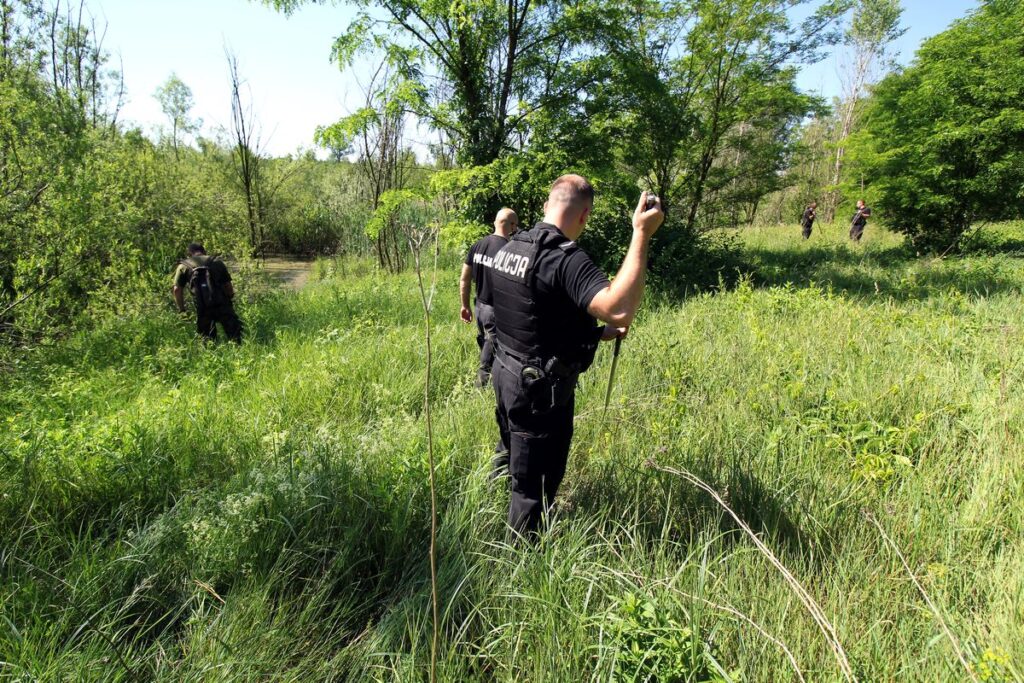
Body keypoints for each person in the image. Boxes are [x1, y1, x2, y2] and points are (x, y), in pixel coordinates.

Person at [488, 174, 663, 536]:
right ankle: (521, 562)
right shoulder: (564, 258)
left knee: (509, 456)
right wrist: (641, 234)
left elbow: (533, 316)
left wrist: (596, 334)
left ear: (547, 205)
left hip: (505, 376)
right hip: (539, 395)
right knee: (533, 488)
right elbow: (619, 308)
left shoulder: (508, 249)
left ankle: (490, 505)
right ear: (584, 216)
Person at [460, 208, 519, 387]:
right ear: (513, 226)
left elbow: (464, 279)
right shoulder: (509, 250)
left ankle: (492, 376)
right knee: (491, 345)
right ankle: (481, 385)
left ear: (495, 222)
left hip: (479, 306)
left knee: (486, 341)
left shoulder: (477, 245)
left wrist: (465, 306)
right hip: (495, 310)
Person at [172, 243, 243, 343]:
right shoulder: (217, 262)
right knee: (235, 336)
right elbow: (228, 286)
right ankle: (238, 354)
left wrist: (182, 310)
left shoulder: (183, 266)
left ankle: (212, 355)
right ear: (204, 251)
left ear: (189, 253)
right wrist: (230, 299)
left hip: (202, 307)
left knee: (207, 341)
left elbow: (177, 290)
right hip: (222, 304)